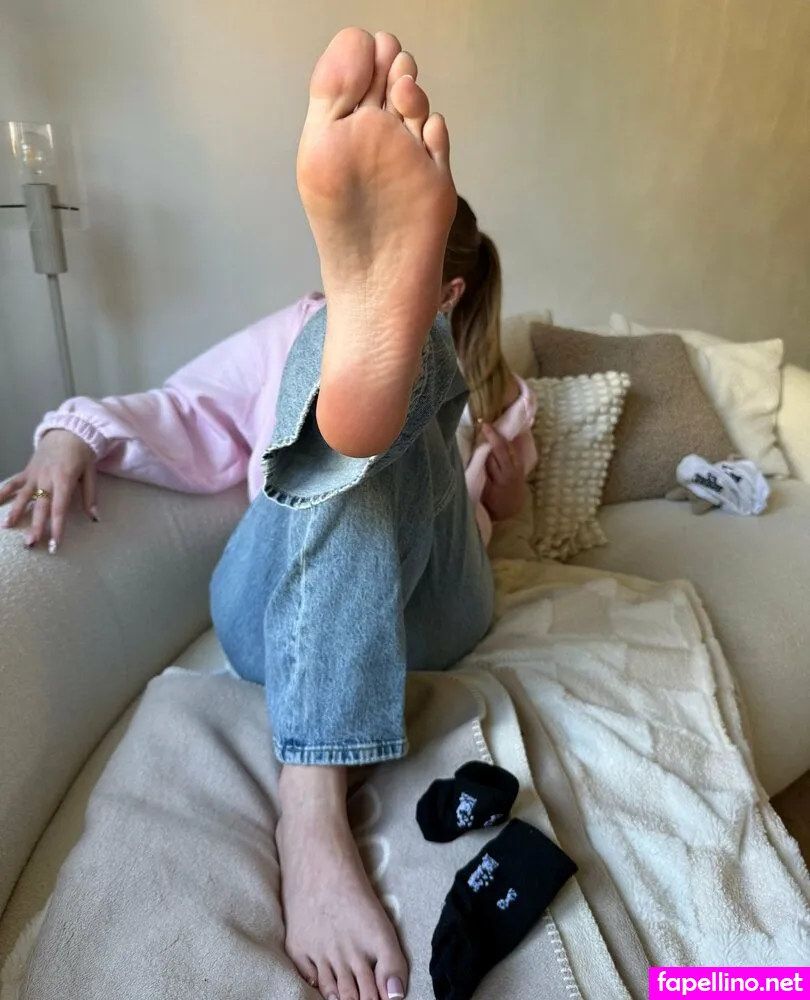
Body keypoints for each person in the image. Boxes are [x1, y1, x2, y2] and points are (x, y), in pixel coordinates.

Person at [0, 30, 536, 1000]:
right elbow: (176, 410)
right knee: (327, 354)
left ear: (447, 287)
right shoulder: (295, 331)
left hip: (433, 607)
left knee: (398, 405)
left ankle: (384, 371)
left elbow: (502, 521)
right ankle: (363, 372)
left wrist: (496, 477)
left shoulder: (502, 391)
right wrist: (71, 432)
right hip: (291, 612)